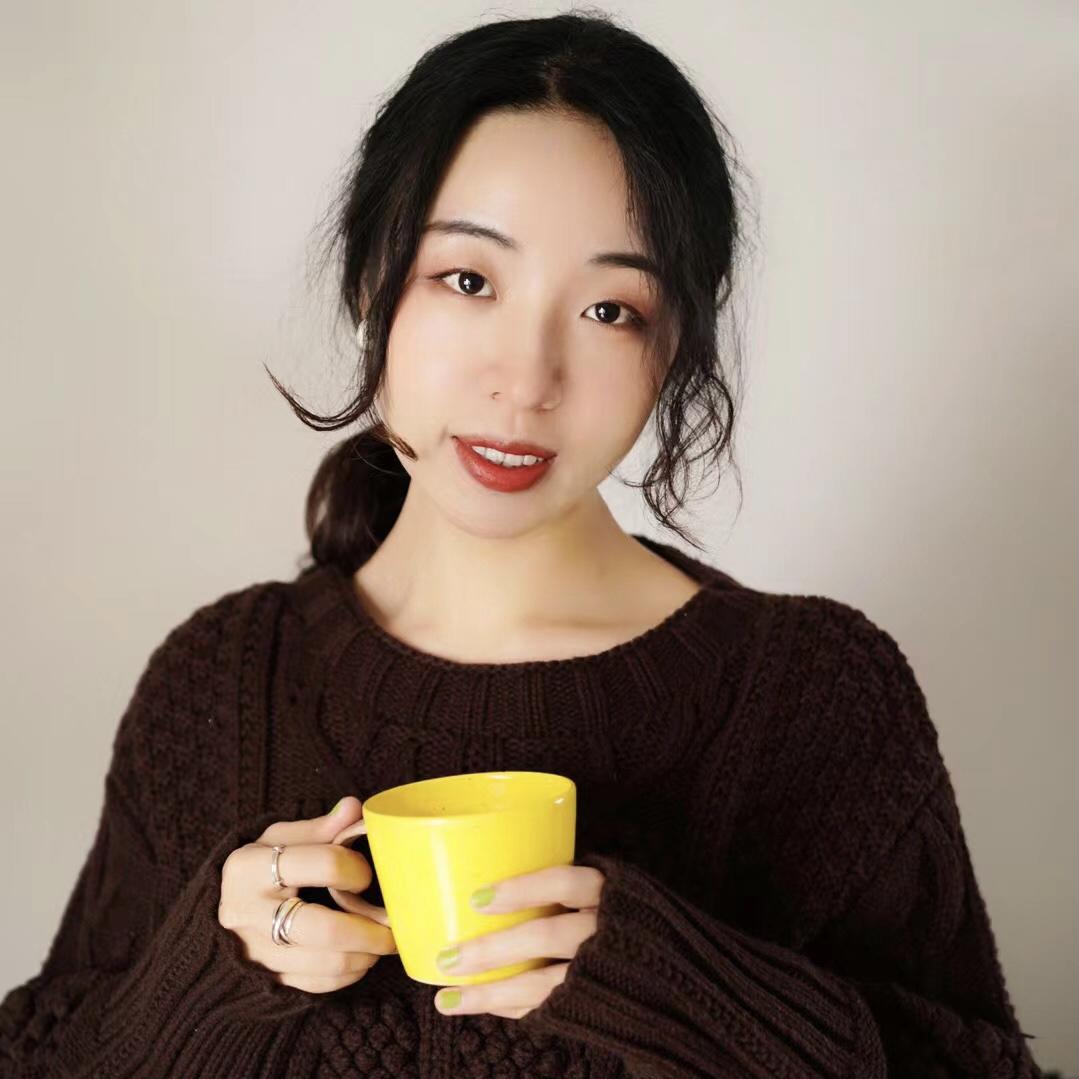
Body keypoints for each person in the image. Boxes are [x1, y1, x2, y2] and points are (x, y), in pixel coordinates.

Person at [0, 10, 1043, 1079]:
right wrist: (204, 977)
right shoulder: (218, 685)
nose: (526, 378)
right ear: (370, 282)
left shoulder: (815, 697)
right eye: (468, 280)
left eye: (609, 309)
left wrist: (690, 994)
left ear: (673, 347)